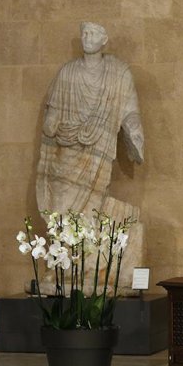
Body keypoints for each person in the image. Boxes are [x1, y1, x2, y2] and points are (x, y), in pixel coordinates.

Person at [33, 22, 145, 296]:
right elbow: (54, 111)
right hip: (65, 149)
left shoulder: (118, 73)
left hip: (97, 150)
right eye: (83, 33)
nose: (87, 38)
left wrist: (135, 132)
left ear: (104, 39)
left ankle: (87, 266)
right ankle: (63, 264)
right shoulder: (67, 73)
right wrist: (51, 123)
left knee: (92, 207)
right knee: (60, 207)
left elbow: (130, 109)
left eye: (93, 33)